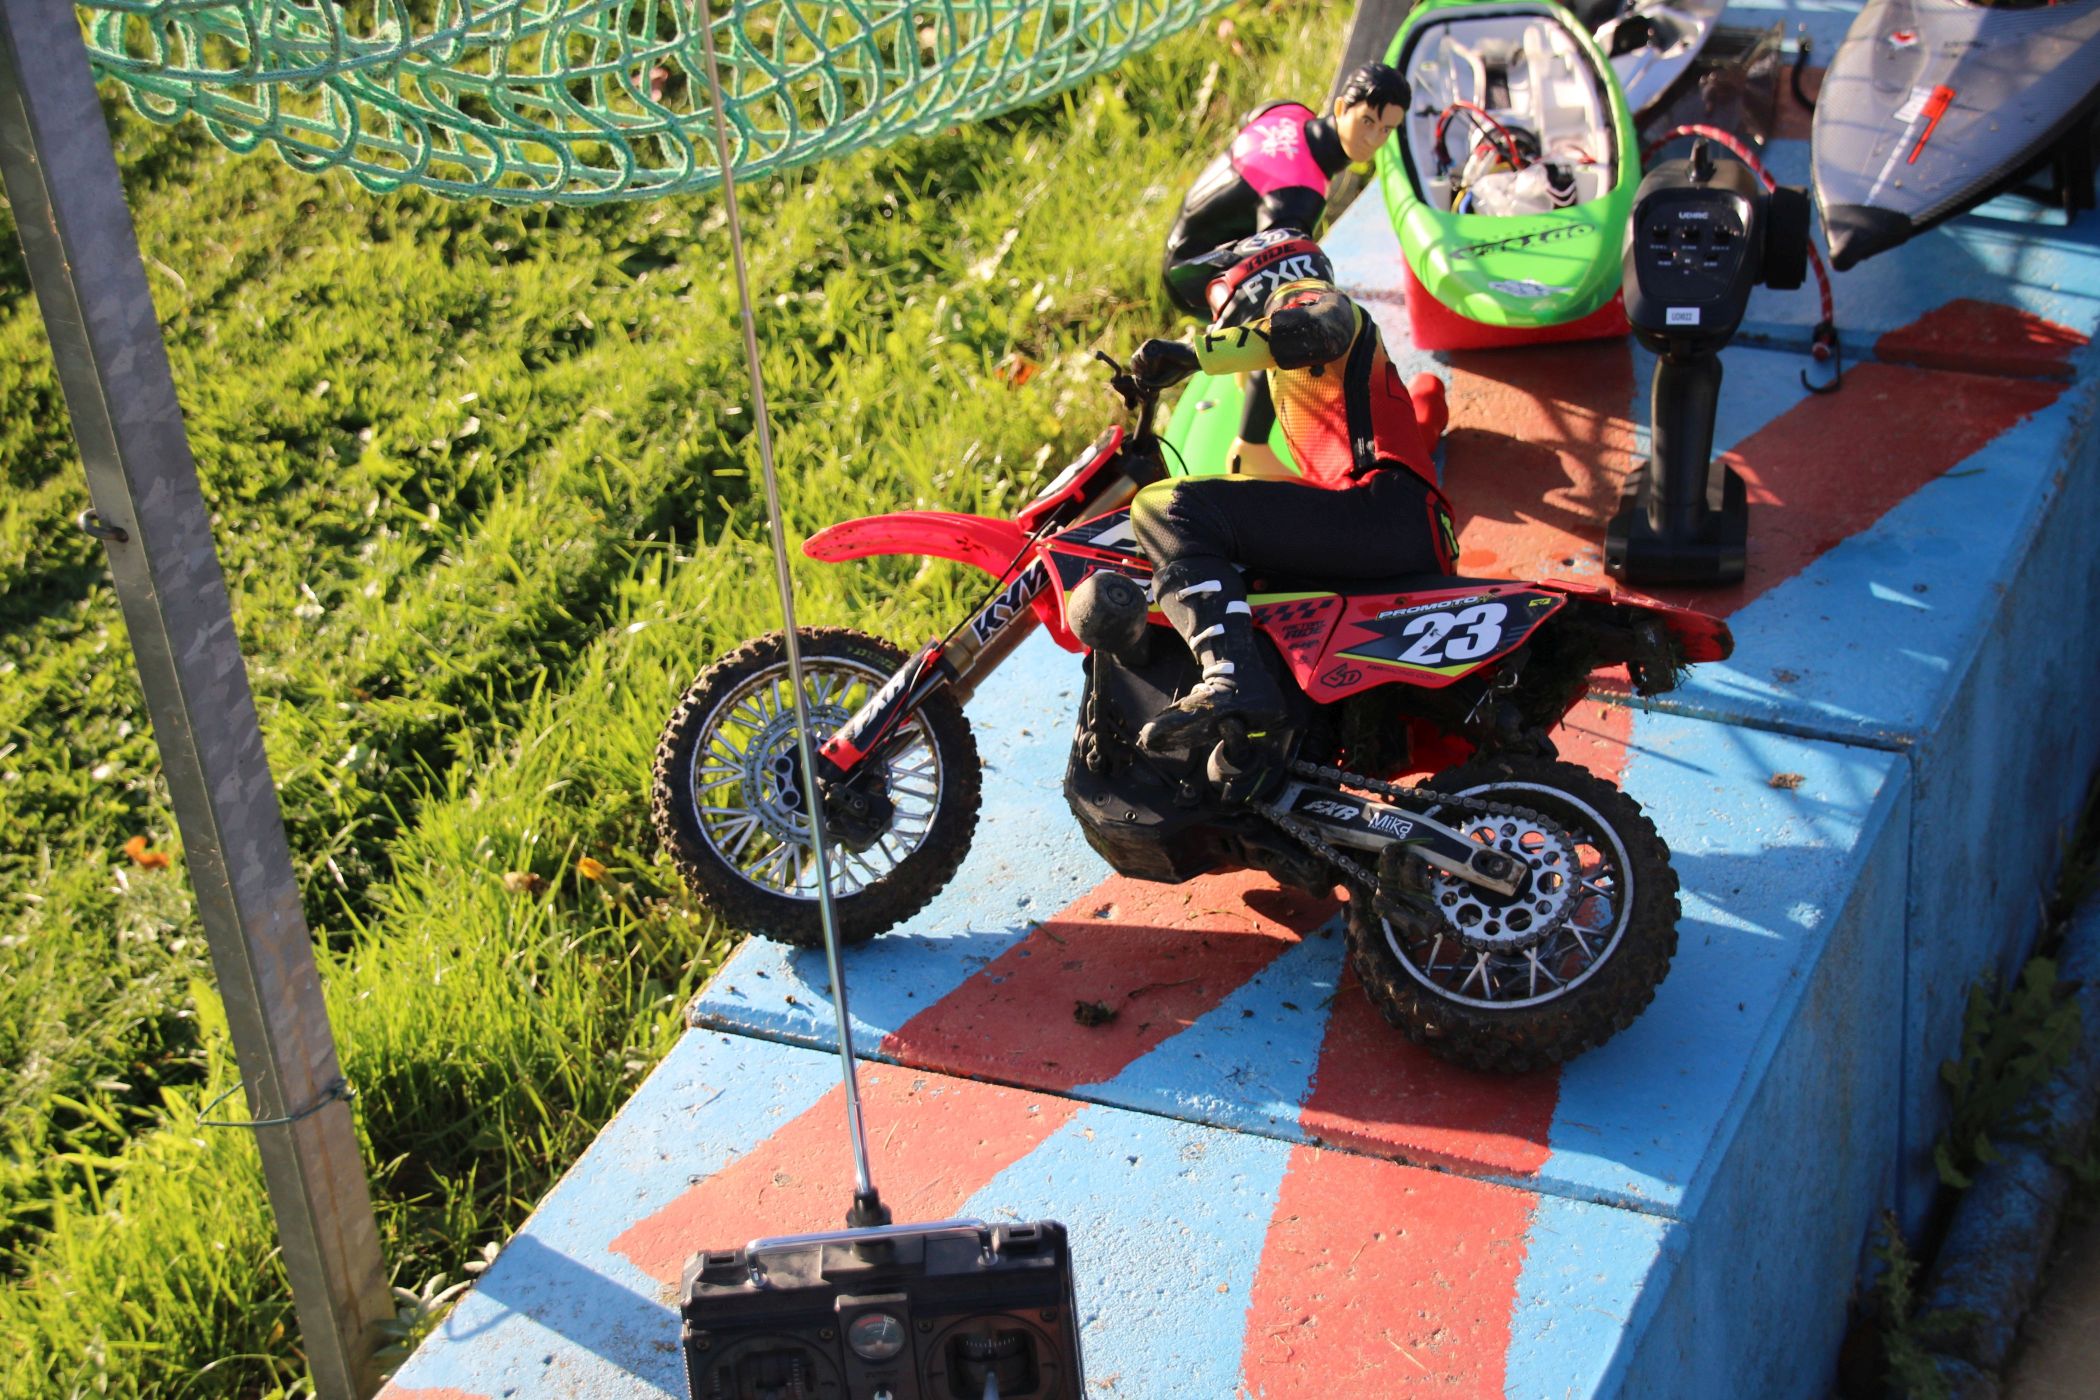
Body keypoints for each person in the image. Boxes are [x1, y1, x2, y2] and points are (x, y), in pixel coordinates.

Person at [1126, 230, 1453, 754]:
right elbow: (1265, 496)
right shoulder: (1303, 381)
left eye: (1217, 296)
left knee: (1163, 508)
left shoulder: (1311, 305)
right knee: (1233, 561)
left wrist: (1192, 354)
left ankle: (1231, 679)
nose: (1216, 317)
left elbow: (1314, 327)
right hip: (1386, 524)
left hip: (1381, 509)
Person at [1162, 63, 1411, 476]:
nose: (1373, 139)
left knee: (1287, 277)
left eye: (1386, 130)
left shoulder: (1290, 112)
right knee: (1296, 316)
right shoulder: (1296, 197)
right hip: (1192, 277)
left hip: (1189, 244)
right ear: (1340, 107)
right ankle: (1250, 448)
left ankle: (1248, 375)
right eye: (1367, 121)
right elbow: (1283, 296)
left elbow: (1250, 121)